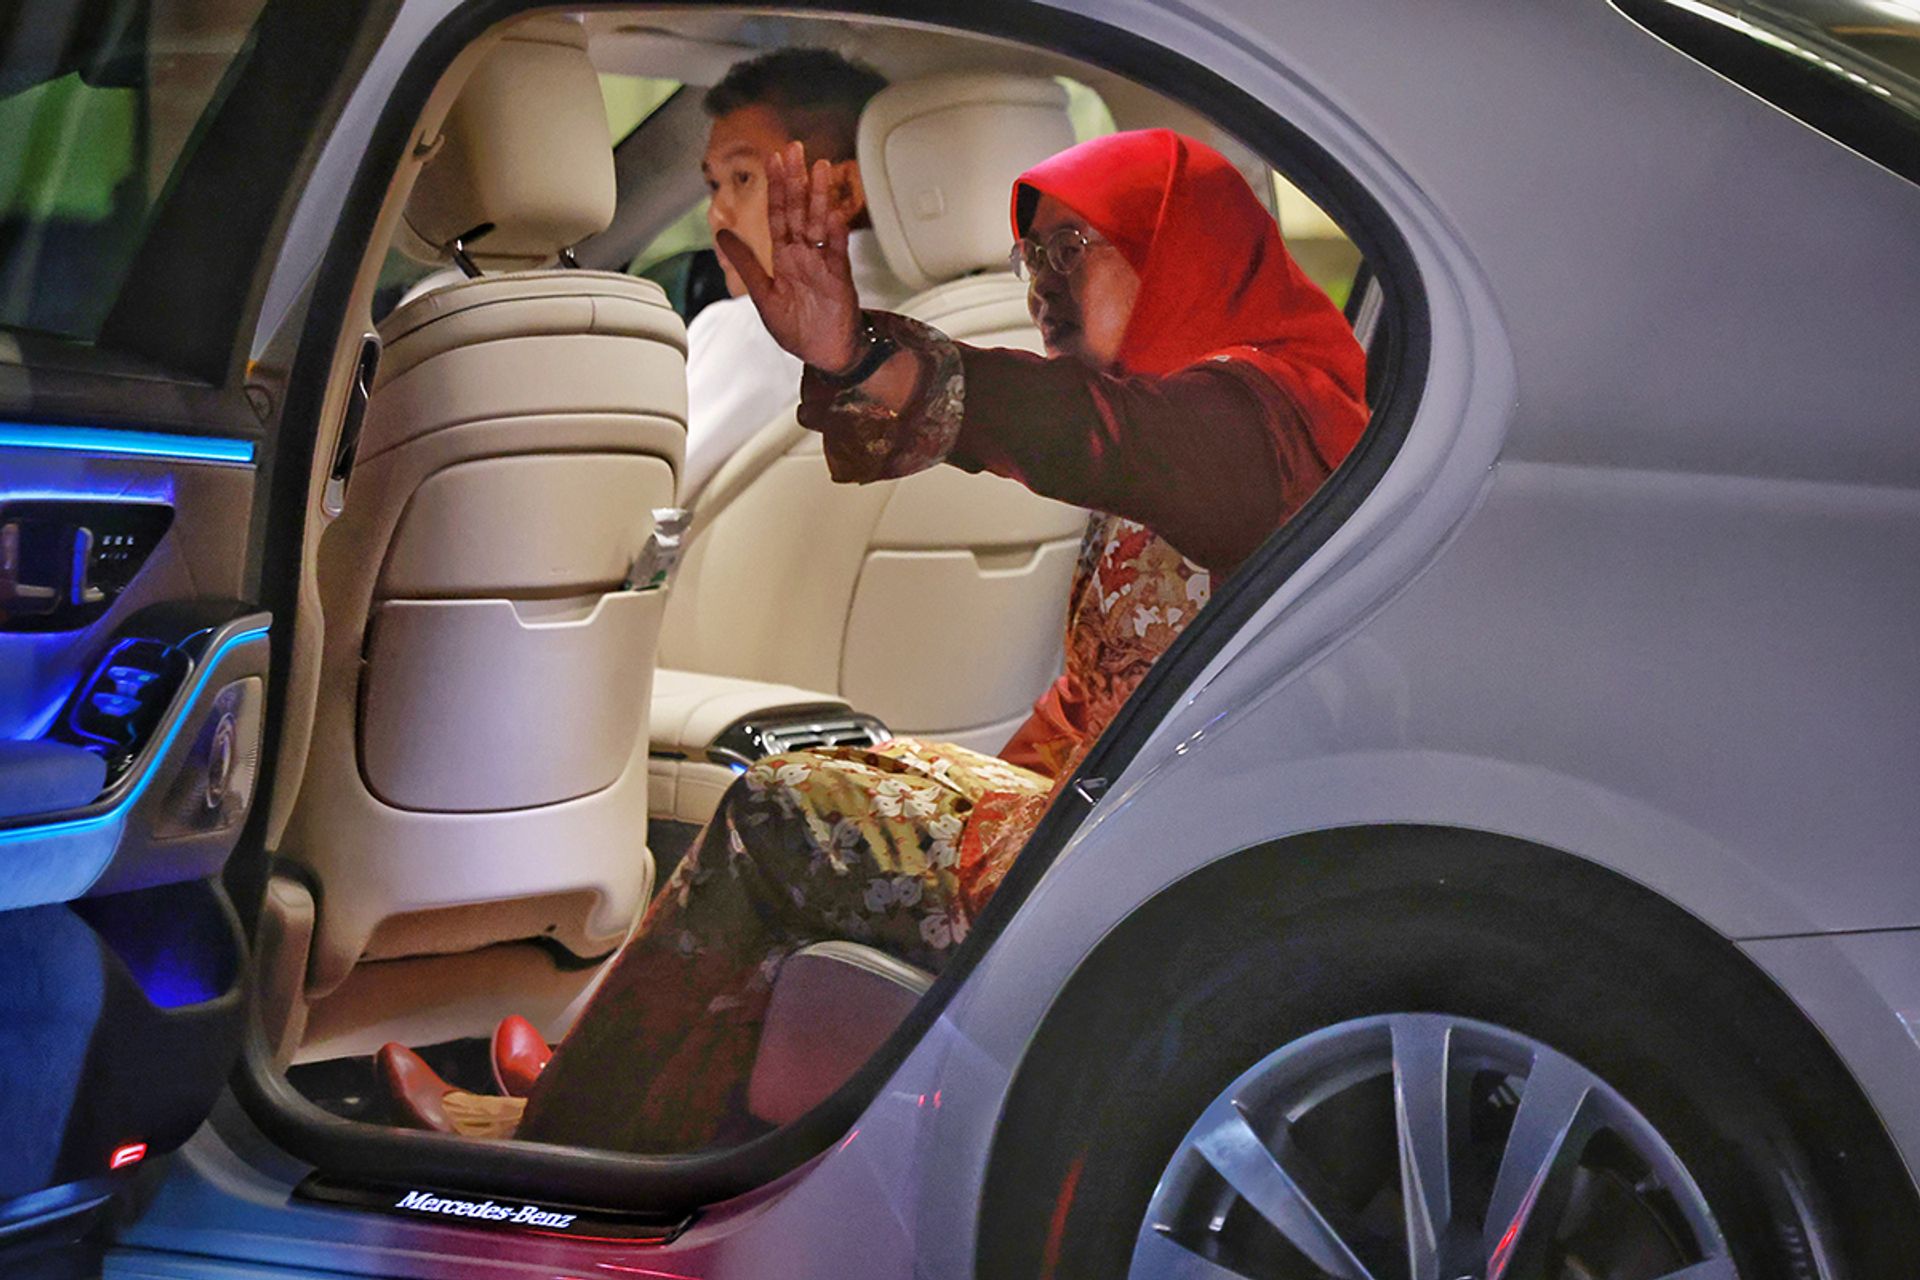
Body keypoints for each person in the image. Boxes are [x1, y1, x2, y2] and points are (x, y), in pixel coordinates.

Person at [378, 128, 1370, 1152]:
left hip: (1162, 863)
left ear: (1186, 243)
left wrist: (865, 354)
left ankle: (558, 1135)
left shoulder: (1264, 416)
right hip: (1117, 831)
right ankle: (617, 1092)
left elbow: (1083, 428)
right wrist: (969, 809)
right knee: (833, 784)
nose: (1040, 287)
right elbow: (1090, 697)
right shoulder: (1192, 421)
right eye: (1035, 259)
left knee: (786, 807)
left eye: (1075, 248)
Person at [682, 48, 911, 500]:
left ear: (842, 191)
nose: (716, 214)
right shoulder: (986, 319)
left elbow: (646, 500)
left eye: (743, 177)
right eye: (714, 184)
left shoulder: (756, 331)